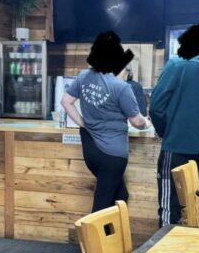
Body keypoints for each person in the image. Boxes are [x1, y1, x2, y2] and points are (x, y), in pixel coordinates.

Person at [61, 31, 151, 212]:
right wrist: (146, 123)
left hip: (91, 151)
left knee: (121, 196)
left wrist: (83, 123)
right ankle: (90, 232)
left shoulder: (83, 76)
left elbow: (66, 102)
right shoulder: (121, 87)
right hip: (112, 154)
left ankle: (111, 231)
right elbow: (136, 121)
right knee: (101, 206)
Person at [150, 24, 199, 225]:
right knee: (191, 205)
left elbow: (156, 107)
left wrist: (164, 131)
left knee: (169, 206)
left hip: (175, 146)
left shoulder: (176, 65)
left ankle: (164, 243)